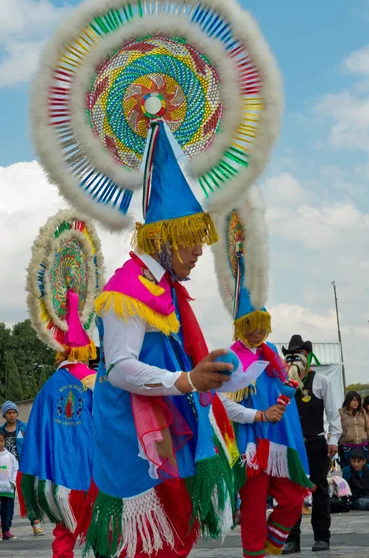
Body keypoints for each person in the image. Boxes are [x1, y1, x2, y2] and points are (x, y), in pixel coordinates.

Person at [84, 121, 240, 558]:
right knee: (148, 547)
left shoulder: (169, 290)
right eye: (193, 240)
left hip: (168, 430)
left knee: (175, 539)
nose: (199, 251)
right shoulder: (125, 292)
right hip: (136, 440)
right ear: (167, 238)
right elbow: (118, 368)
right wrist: (189, 380)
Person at [212, 199, 314, 557]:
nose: (257, 332)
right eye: (250, 326)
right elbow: (221, 405)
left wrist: (291, 379)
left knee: (292, 500)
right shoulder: (228, 358)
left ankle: (269, 550)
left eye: (262, 326)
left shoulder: (272, 356)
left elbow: (284, 390)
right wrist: (258, 416)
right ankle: (255, 554)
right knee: (253, 511)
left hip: (280, 445)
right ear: (240, 324)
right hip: (250, 448)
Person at [20, 210, 103, 558]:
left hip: (60, 481)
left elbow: (37, 435)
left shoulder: (48, 389)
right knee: (102, 536)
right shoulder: (97, 384)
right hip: (96, 477)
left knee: (63, 538)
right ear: (84, 350)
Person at [282, 335, 342, 554]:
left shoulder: (320, 380)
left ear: (306, 356)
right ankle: (292, 539)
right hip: (292, 446)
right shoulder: (283, 382)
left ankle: (322, 537)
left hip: (316, 443)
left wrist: (333, 439)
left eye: (298, 354)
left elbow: (333, 414)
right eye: (290, 354)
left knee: (319, 491)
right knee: (291, 493)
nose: (294, 359)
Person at [0, 401, 44, 537]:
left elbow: (33, 445)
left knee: (28, 495)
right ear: (4, 415)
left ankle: (35, 524)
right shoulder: (1, 431)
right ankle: (6, 528)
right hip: (6, 470)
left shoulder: (25, 428)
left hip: (24, 466)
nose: (12, 415)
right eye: (9, 413)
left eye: (14, 412)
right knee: (7, 499)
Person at [339, 391, 369, 467]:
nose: (356, 403)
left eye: (358, 400)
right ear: (348, 400)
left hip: (363, 446)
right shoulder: (341, 413)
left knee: (364, 469)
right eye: (354, 400)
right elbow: (336, 428)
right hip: (348, 447)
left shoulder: (362, 411)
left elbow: (368, 428)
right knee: (349, 470)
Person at [0, 430, 18, 541]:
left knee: (7, 510)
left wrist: (12, 482)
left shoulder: (10, 456)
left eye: (1, 441)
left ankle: (6, 530)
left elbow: (15, 469)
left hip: (7, 488)